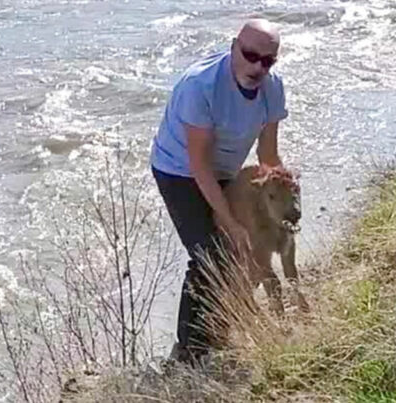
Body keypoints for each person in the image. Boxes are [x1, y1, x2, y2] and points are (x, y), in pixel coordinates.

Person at [149, 18, 288, 365]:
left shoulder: (272, 89)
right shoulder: (201, 86)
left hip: (226, 170)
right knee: (211, 252)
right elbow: (199, 166)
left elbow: (268, 156)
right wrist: (229, 221)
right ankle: (189, 354)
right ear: (233, 47)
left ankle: (221, 326)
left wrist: (283, 193)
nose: (257, 66)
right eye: (250, 55)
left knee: (252, 245)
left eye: (267, 60)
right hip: (179, 170)